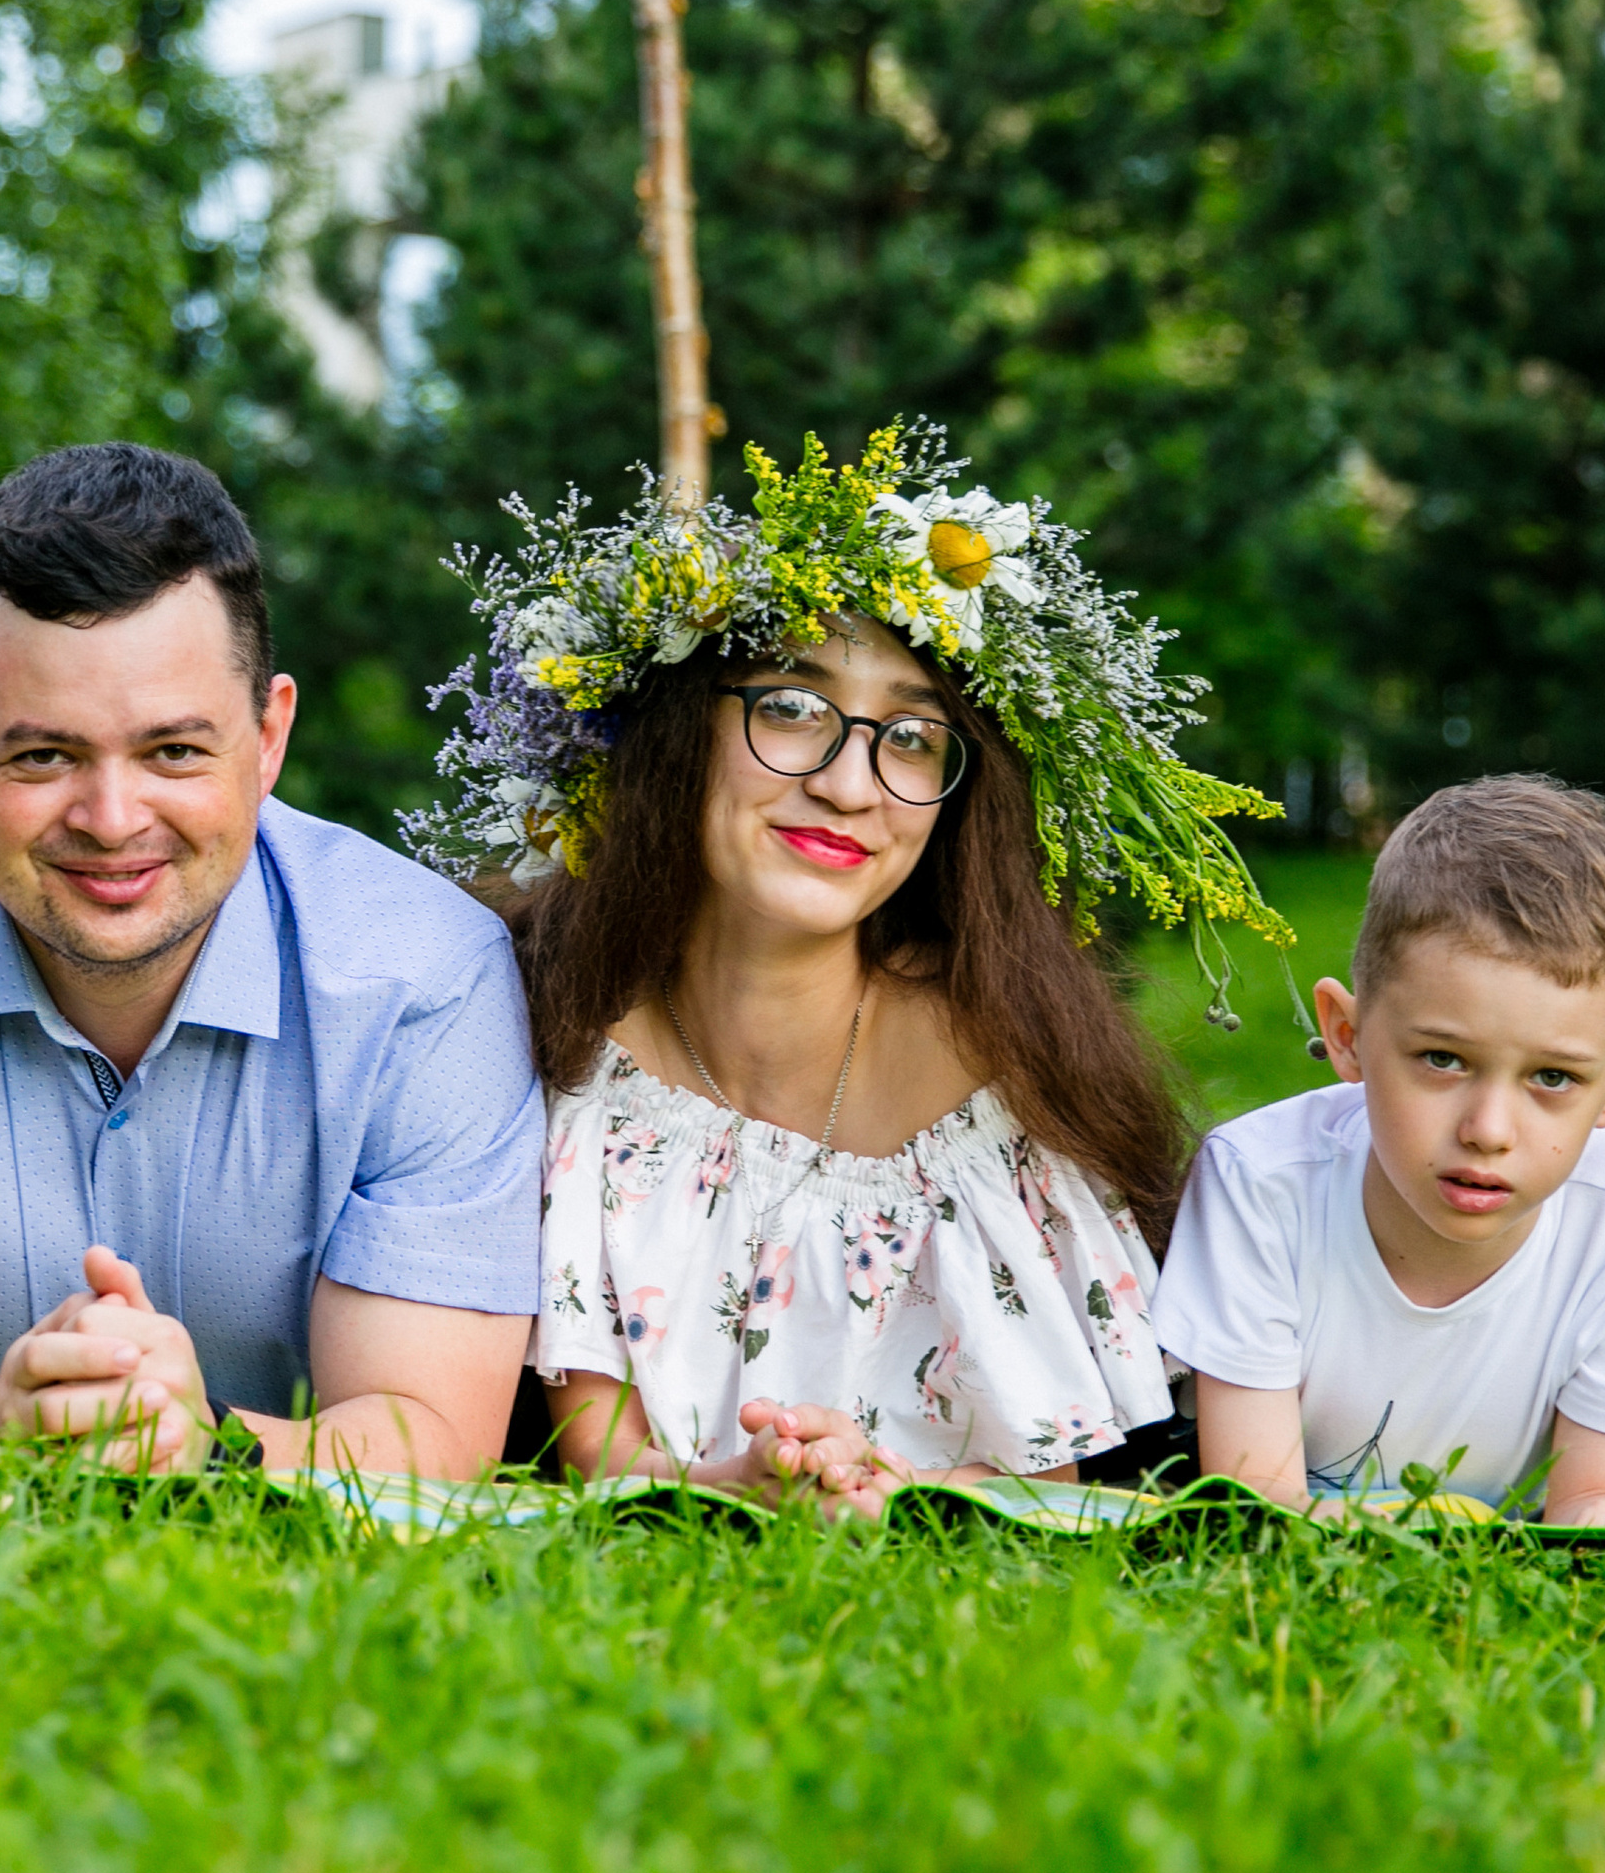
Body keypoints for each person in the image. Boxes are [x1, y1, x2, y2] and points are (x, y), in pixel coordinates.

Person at [407, 425, 1285, 1503]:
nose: (849, 785)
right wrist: (737, 1486)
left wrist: (885, 1492)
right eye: (789, 708)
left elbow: (1058, 1462)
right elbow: (595, 1447)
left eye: (911, 738)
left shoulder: (996, 1079)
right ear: (676, 732)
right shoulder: (550, 1037)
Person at [0, 444, 543, 1476]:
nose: (110, 819)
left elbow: (435, 1441)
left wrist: (207, 1442)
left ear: (269, 736)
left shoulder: (425, 979)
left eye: (173, 751)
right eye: (43, 755)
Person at [1157, 776, 1605, 1520]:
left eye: (1553, 1077)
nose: (1489, 1130)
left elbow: (1589, 1505)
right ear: (1347, 1035)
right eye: (1442, 1059)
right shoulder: (1260, 1184)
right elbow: (1257, 1505)